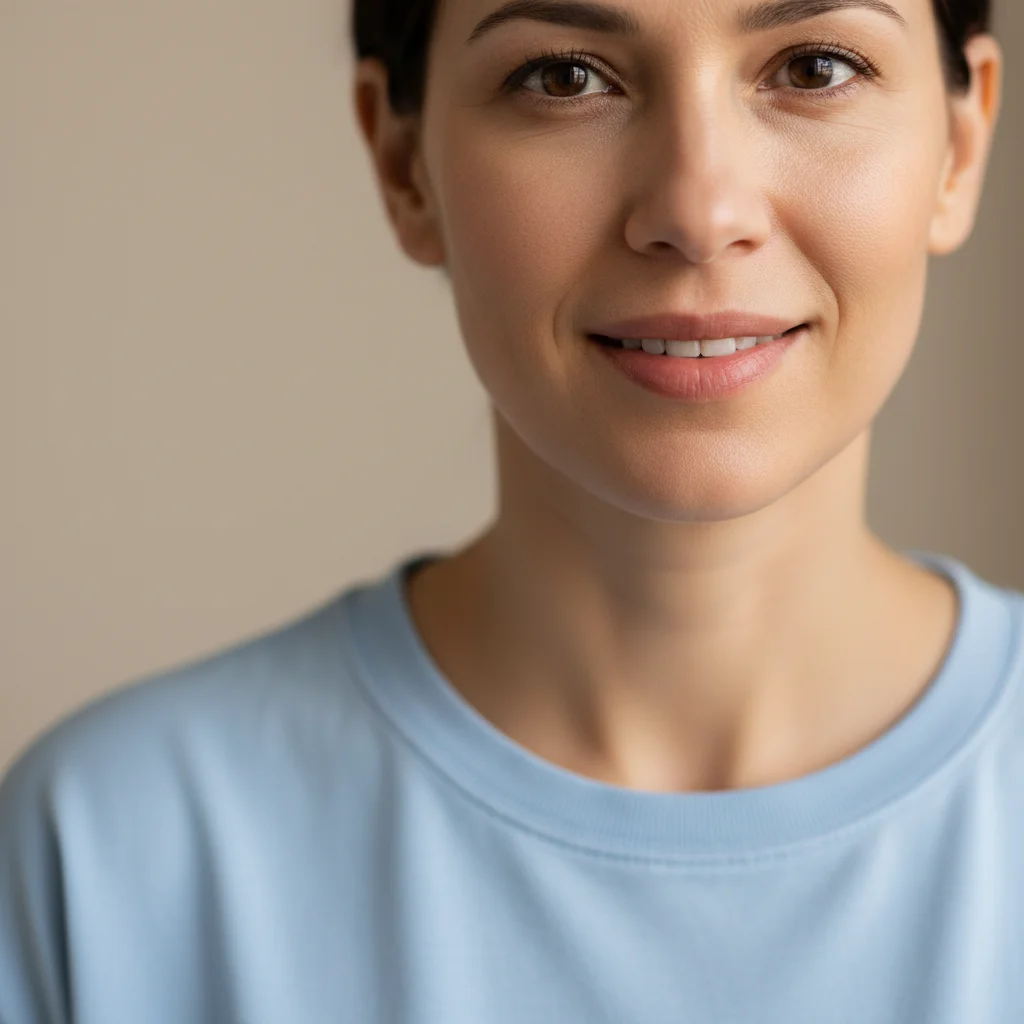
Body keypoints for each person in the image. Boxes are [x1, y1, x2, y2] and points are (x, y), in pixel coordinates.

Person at [1, 0, 1017, 1019]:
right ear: (405, 167)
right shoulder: (103, 857)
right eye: (564, 78)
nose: (699, 209)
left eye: (814, 66)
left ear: (959, 144)